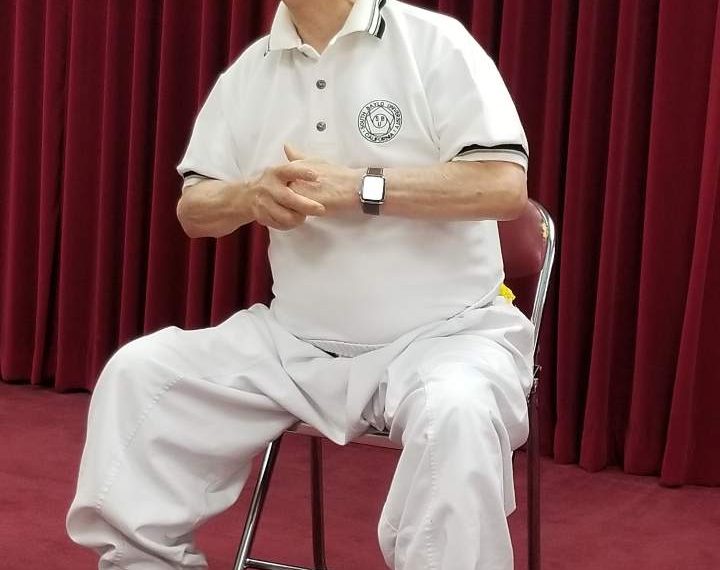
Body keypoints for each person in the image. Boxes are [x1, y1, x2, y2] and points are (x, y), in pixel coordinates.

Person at [66, 1, 534, 568]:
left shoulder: (435, 43)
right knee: (140, 375)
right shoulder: (250, 73)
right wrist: (249, 196)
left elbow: (501, 186)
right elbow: (194, 209)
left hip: (447, 338)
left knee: (456, 411)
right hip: (293, 344)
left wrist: (360, 189)